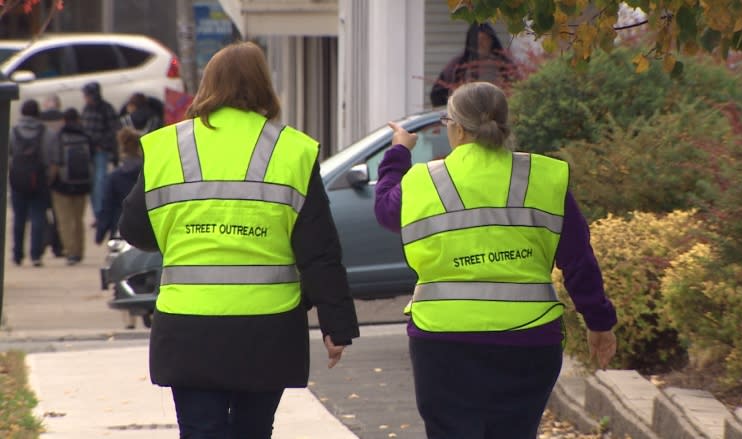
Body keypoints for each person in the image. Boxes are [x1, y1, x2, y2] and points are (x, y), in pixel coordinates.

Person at [118, 41, 360, 438]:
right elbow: (319, 251)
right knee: (254, 429)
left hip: (187, 327)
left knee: (200, 430)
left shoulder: (167, 146)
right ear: (264, 85)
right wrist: (337, 325)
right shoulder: (293, 150)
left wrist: (189, 233)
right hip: (267, 330)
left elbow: (135, 231)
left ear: (208, 85)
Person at [375, 82, 618, 439]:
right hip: (530, 341)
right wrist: (599, 322)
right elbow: (578, 259)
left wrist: (398, 152)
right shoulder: (543, 177)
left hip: (444, 344)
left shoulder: (425, 182)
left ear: (456, 127)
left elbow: (385, 210)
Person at [96, 126, 144, 329]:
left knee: (122, 270)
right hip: (146, 224)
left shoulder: (115, 176)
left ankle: (129, 317)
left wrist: (100, 231)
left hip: (121, 228)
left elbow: (106, 205)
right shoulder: (147, 169)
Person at [8, 99, 57, 267]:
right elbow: (52, 158)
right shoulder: (47, 133)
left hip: (18, 180)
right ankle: (36, 255)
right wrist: (49, 178)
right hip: (39, 180)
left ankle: (17, 254)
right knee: (38, 217)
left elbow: (8, 155)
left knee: (19, 218)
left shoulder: (13, 132)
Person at [430, 22, 518, 107]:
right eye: (477, 41)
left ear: (491, 41)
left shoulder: (503, 66)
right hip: (466, 114)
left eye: (484, 39)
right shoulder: (457, 66)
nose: (480, 44)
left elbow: (518, 89)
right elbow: (437, 96)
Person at [49, 108, 93, 266]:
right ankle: (79, 251)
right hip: (82, 184)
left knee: (64, 221)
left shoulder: (59, 137)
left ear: (64, 120)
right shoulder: (85, 136)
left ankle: (70, 252)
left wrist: (50, 181)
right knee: (78, 220)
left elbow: (55, 161)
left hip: (62, 186)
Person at [81, 81, 119, 219]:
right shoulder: (86, 109)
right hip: (88, 152)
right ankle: (97, 214)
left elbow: (114, 130)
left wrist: (103, 144)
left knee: (100, 181)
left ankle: (102, 212)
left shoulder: (106, 109)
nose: (85, 98)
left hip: (100, 151)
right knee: (91, 183)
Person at [39, 94, 65, 258]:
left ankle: (44, 241)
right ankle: (57, 245)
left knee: (40, 212)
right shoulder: (62, 124)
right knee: (58, 214)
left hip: (39, 174)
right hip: (59, 174)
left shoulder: (40, 126)